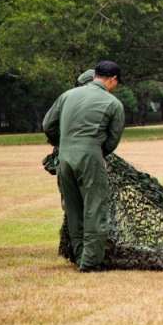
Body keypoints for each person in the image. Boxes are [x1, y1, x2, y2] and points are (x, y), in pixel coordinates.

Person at [42, 60, 125, 271]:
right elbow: (112, 141)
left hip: (65, 158)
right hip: (90, 157)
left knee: (73, 208)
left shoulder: (68, 95)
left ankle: (80, 256)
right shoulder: (113, 104)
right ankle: (90, 262)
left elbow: (47, 125)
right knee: (95, 209)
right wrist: (94, 151)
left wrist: (62, 144)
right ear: (113, 79)